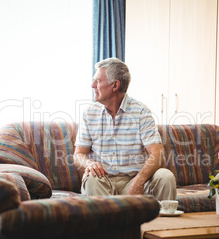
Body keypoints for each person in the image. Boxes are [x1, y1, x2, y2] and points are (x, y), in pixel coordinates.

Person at [74, 58, 176, 201]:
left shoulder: (141, 112)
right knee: (91, 178)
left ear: (115, 85)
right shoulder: (89, 113)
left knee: (165, 176)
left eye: (97, 81)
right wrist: (89, 164)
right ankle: (108, 222)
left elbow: (157, 153)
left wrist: (139, 181)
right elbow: (78, 155)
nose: (92, 85)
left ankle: (160, 223)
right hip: (103, 182)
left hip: (133, 180)